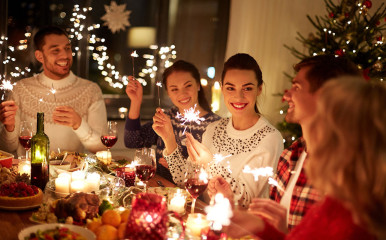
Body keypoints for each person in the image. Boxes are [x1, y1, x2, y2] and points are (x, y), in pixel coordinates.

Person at [209, 55, 362, 232]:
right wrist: (230, 200)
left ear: (326, 97)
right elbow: (277, 229)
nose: (286, 95)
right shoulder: (291, 156)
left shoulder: (350, 171)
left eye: (297, 87)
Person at [224, 77, 386, 240]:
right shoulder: (340, 200)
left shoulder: (350, 221)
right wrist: (262, 227)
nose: (311, 131)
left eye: (319, 120)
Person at [166, 53, 284, 207]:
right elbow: (184, 180)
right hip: (205, 218)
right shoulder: (214, 128)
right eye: (230, 88)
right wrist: (168, 138)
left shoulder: (270, 138)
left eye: (247, 88)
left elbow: (246, 202)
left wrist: (210, 164)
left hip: (238, 227)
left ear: (259, 89)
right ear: (222, 88)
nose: (238, 96)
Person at [0, 26, 107, 156]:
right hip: (29, 173)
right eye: (55, 50)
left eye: (67, 48)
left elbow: (101, 148)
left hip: (73, 174)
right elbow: (6, 149)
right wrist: (9, 128)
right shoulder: (20, 89)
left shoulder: (90, 90)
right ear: (40, 56)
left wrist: (79, 124)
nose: (65, 56)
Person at [124, 60, 220, 183]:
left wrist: (178, 167)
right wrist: (136, 101)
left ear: (198, 85)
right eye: (174, 89)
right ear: (168, 93)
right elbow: (132, 141)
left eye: (188, 86)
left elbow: (215, 174)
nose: (182, 93)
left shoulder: (216, 125)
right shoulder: (167, 117)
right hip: (159, 189)